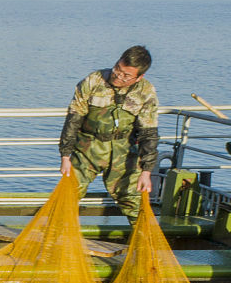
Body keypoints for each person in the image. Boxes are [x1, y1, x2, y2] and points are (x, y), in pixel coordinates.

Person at [59, 45, 159, 223]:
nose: (118, 76)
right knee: (68, 194)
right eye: (117, 69)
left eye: (126, 75)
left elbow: (148, 132)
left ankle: (143, 245)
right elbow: (73, 119)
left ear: (139, 77)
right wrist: (65, 155)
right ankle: (56, 242)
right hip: (88, 148)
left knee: (134, 201)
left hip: (124, 150)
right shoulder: (94, 81)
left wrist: (146, 171)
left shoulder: (146, 91)